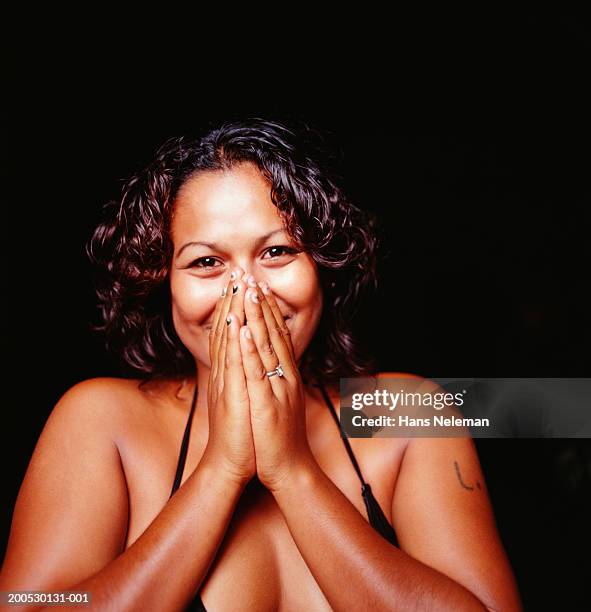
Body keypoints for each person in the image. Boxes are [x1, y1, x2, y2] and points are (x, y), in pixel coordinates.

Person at [0, 118, 522, 610]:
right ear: (165, 283)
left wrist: (292, 471)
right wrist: (221, 470)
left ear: (323, 265)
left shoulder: (406, 412)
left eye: (277, 252)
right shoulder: (103, 420)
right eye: (206, 262)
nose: (247, 293)